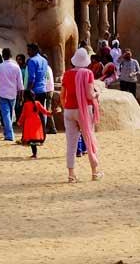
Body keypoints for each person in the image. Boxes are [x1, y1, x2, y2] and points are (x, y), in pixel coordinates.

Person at [61, 48, 103, 183]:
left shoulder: (66, 74)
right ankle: (94, 172)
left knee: (71, 144)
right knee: (89, 139)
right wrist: (97, 93)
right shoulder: (88, 73)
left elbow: (62, 95)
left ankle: (71, 174)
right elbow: (89, 94)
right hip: (84, 110)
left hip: (69, 110)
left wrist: (65, 107)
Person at [0, 48, 24, 142]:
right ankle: (8, 132)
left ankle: (9, 134)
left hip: (2, 93)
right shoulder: (16, 67)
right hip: (13, 93)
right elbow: (20, 82)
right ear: (11, 55)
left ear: (3, 56)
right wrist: (21, 93)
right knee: (10, 114)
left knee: (6, 114)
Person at [18, 90, 51, 159]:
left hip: (29, 123)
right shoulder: (37, 103)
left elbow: (23, 115)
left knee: (31, 139)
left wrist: (19, 122)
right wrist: (51, 113)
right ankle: (35, 153)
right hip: (37, 122)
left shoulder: (26, 104)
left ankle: (34, 154)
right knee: (35, 138)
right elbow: (44, 111)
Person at [25, 43, 52, 120]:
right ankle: (42, 131)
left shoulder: (32, 61)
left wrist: (28, 90)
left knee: (33, 114)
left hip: (34, 91)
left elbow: (32, 78)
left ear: (35, 50)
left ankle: (36, 131)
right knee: (41, 113)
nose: (28, 52)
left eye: (29, 50)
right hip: (43, 90)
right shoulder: (44, 60)